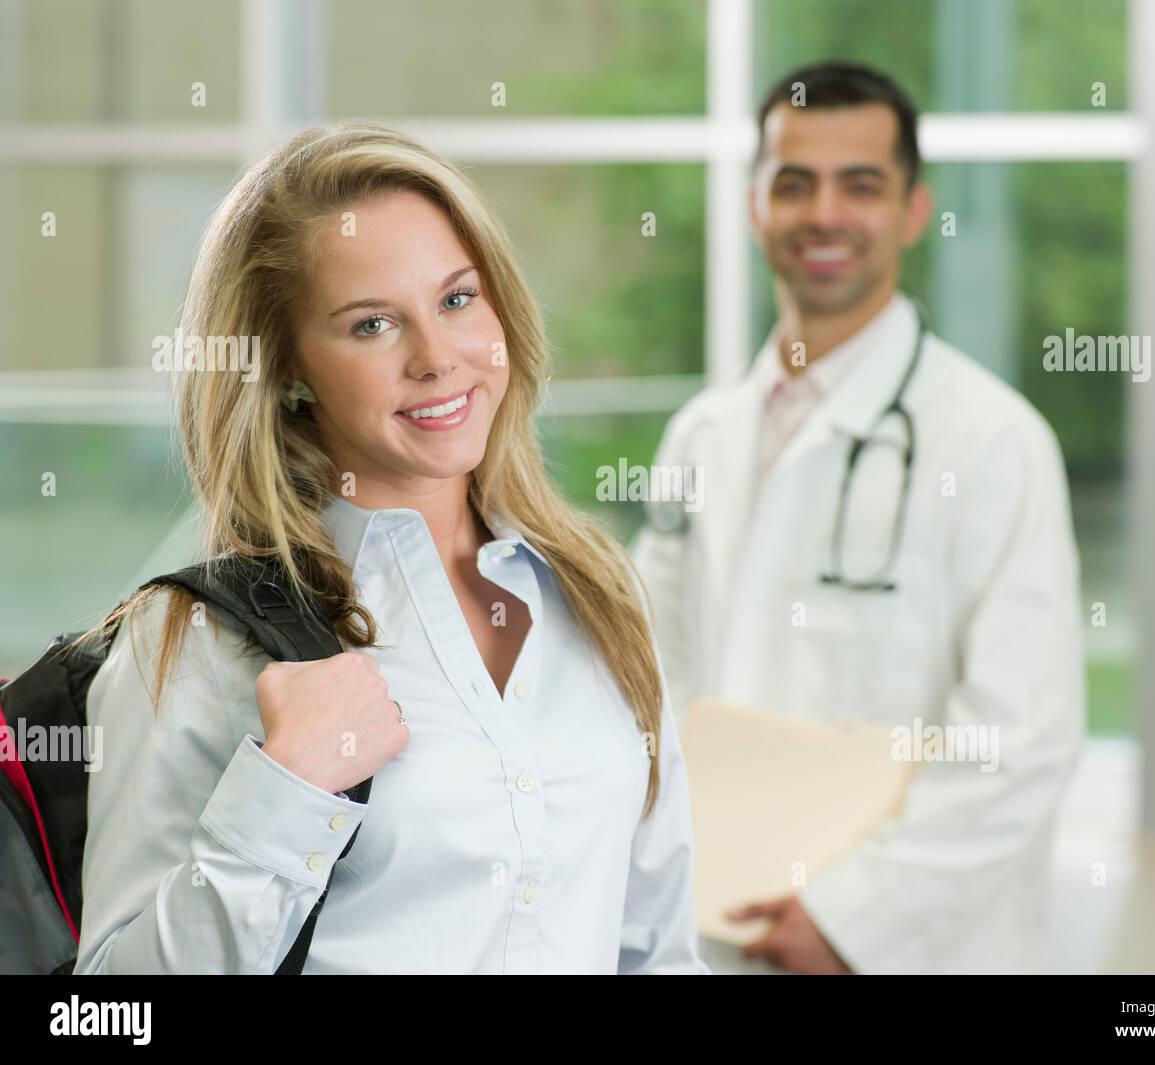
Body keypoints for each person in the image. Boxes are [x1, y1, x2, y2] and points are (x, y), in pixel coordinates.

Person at [72, 122, 709, 975]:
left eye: (456, 300)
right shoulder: (193, 639)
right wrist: (286, 789)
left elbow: (655, 952)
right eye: (372, 325)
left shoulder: (598, 589)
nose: (438, 358)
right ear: (287, 369)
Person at [632, 60, 1084, 975]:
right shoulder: (700, 435)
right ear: (756, 203)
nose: (824, 215)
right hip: (713, 918)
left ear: (913, 212)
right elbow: (650, 674)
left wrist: (849, 919)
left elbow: (1020, 737)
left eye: (861, 185)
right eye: (793, 183)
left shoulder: (995, 441)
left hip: (906, 943)